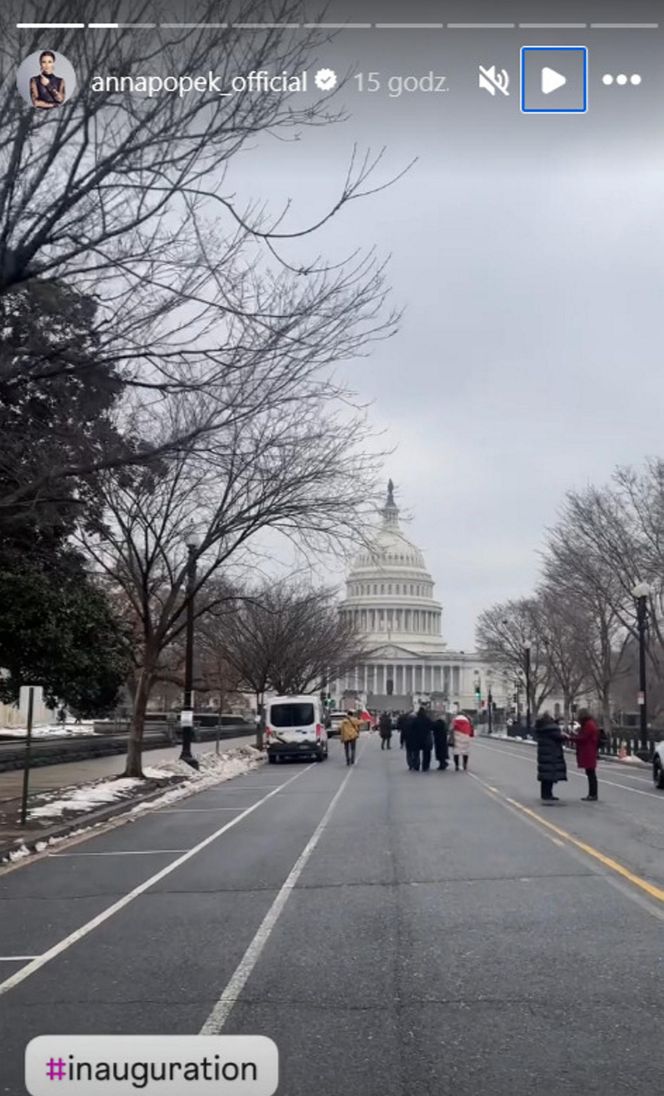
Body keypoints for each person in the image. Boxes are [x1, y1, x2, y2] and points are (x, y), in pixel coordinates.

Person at [535, 711, 567, 802]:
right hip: (551, 752)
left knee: (545, 774)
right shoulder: (551, 728)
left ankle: (545, 794)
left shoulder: (542, 727)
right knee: (550, 773)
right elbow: (558, 737)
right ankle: (548, 794)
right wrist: (564, 737)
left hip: (544, 752)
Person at [570, 708, 600, 801]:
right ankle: (592, 794)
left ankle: (593, 794)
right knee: (590, 773)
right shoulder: (590, 723)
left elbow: (583, 738)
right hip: (589, 750)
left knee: (591, 773)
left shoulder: (588, 725)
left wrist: (571, 738)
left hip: (588, 751)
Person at [406, 707, 433, 772]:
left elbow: (411, 729)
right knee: (426, 753)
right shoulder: (427, 719)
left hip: (416, 739)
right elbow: (432, 727)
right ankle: (425, 766)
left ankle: (416, 765)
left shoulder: (415, 720)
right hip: (426, 738)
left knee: (416, 753)